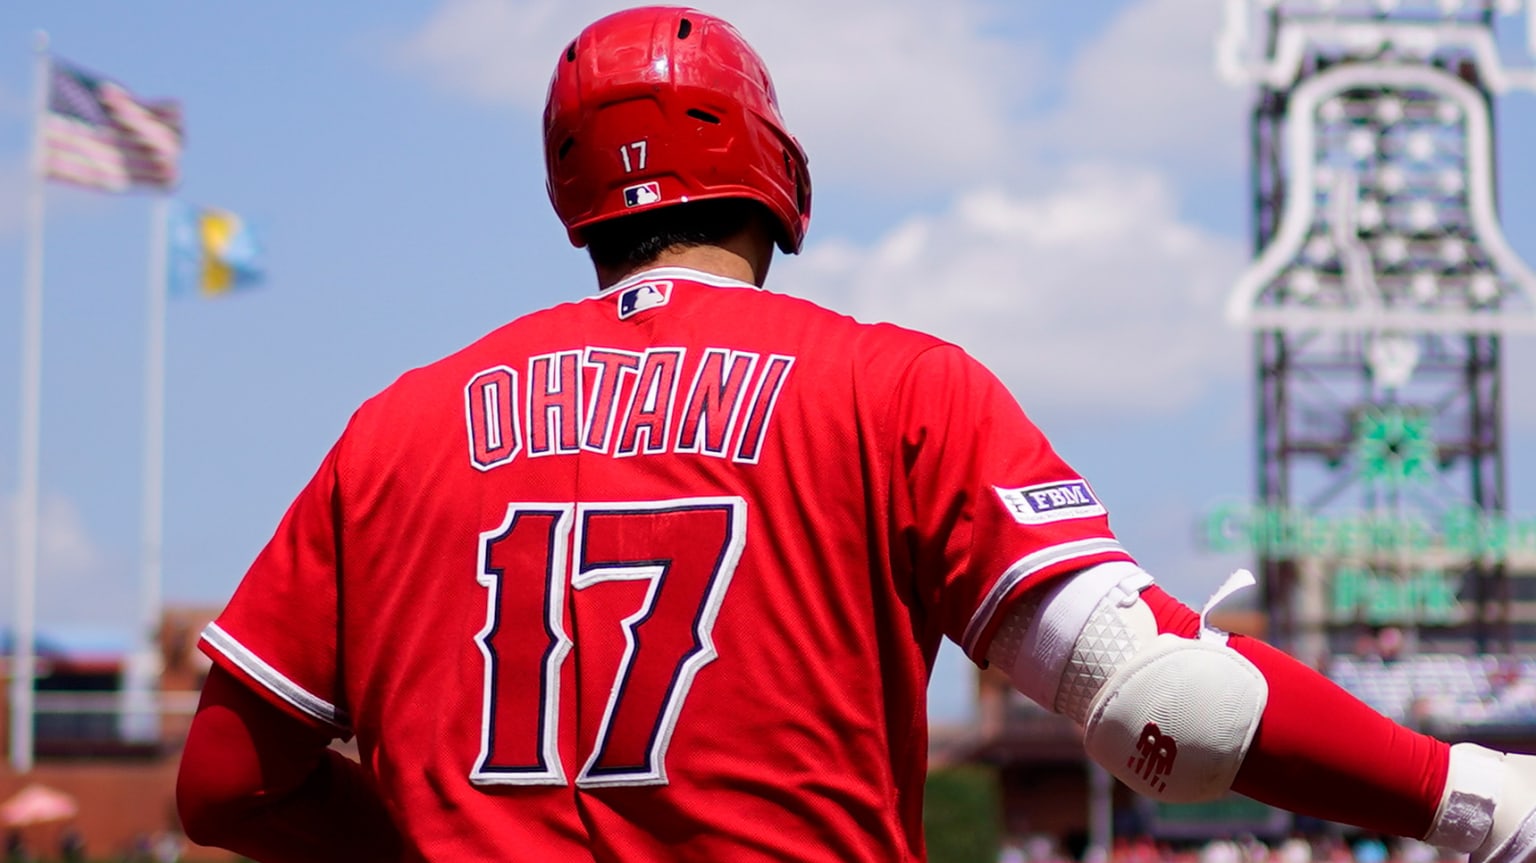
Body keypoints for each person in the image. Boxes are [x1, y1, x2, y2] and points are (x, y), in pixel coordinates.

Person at [175, 6, 1536, 862]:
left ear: (573, 200)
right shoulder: (889, 387)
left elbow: (229, 780)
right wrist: (1473, 797)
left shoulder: (398, 427)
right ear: (779, 177)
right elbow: (1154, 697)